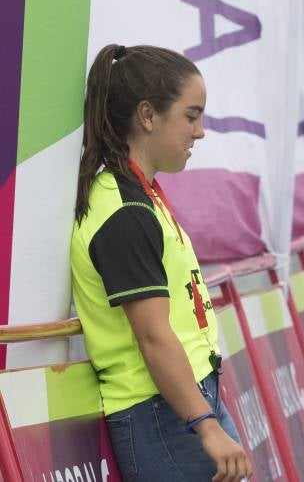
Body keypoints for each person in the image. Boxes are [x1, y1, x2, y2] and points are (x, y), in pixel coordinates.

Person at [71, 45, 250, 482]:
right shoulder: (124, 211)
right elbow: (152, 337)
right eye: (191, 116)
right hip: (164, 413)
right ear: (148, 116)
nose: (200, 131)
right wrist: (205, 425)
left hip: (178, 406)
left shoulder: (140, 197)